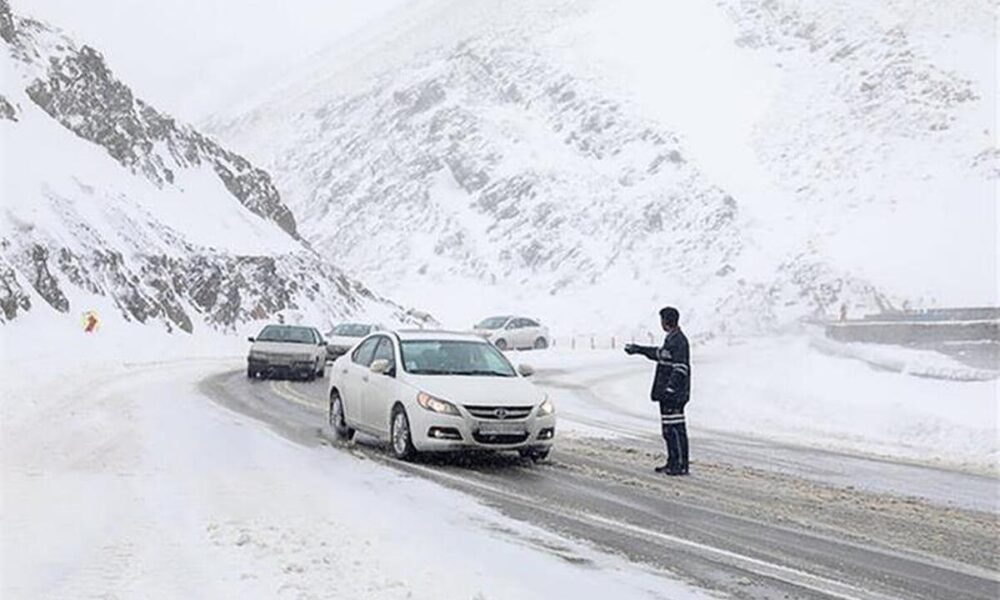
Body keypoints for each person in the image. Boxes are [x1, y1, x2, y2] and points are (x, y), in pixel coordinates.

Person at [624, 307, 691, 475]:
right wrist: (639, 349)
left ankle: (680, 464)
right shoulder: (671, 340)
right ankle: (672, 461)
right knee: (668, 430)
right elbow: (659, 354)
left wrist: (671, 388)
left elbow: (680, 368)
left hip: (675, 395)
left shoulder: (679, 341)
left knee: (675, 429)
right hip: (668, 394)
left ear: (666, 321)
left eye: (662, 320)